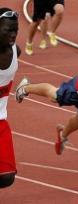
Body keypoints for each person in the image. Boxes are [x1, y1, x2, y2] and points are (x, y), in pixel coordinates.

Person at [0, 7, 20, 188]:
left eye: (16, 30)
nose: (13, 34)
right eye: (8, 30)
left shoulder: (16, 51)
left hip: (0, 121)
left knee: (6, 177)